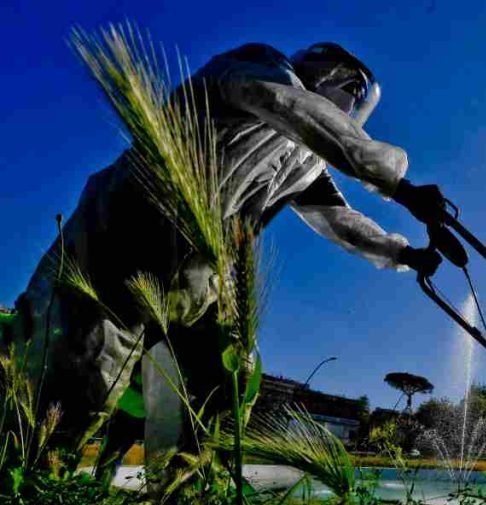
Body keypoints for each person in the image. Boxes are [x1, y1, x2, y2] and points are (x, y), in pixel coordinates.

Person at [6, 41, 448, 470]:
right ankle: (26, 489)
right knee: (74, 384)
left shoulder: (305, 161)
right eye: (348, 87)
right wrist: (397, 185)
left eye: (357, 96)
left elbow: (339, 220)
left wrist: (405, 253)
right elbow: (292, 108)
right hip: (120, 242)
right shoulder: (260, 68)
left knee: (220, 383)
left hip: (199, 277)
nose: (349, 102)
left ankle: (183, 500)